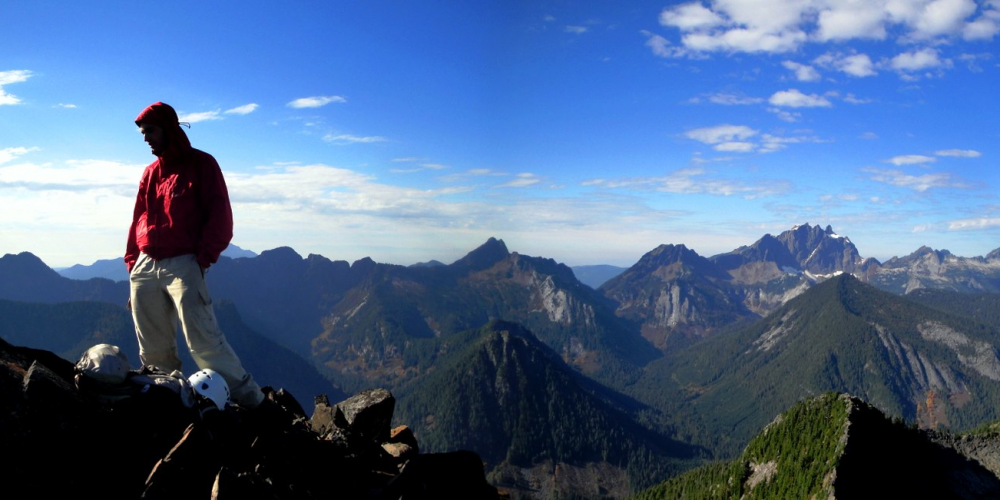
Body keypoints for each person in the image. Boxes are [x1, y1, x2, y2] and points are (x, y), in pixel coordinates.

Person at [125, 101, 263, 408]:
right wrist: (133, 264)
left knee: (203, 341)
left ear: (168, 129)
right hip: (146, 264)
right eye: (143, 133)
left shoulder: (202, 164)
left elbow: (220, 216)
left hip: (185, 262)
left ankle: (253, 403)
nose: (146, 138)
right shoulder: (150, 173)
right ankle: (168, 402)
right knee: (153, 347)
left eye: (150, 131)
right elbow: (138, 219)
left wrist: (201, 259)